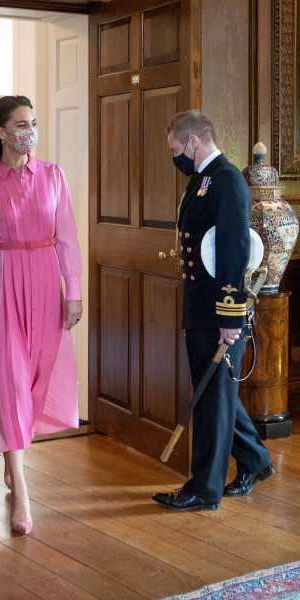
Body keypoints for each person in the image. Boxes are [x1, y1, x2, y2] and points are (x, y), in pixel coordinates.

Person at [0, 95, 83, 534]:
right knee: (10, 383)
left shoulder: (53, 176)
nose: (29, 130)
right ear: (0, 131)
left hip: (48, 286)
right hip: (7, 286)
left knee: (36, 381)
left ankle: (14, 451)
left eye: (33, 122)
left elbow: (66, 237)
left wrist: (75, 293)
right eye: (21, 124)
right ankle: (22, 495)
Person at [153, 110, 274, 512]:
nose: (175, 156)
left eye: (176, 148)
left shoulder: (226, 181)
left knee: (213, 399)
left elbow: (233, 252)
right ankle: (255, 460)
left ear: (193, 142)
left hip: (218, 310)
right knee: (216, 394)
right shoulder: (201, 180)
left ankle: (204, 489)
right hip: (200, 303)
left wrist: (229, 318)